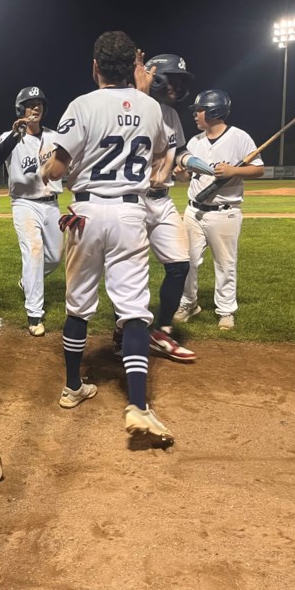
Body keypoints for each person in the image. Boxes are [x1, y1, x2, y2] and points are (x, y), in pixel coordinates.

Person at [40, 30, 176, 443]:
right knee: (133, 309)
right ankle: (138, 405)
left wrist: (48, 162)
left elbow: (56, 170)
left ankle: (72, 387)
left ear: (96, 66)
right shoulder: (152, 108)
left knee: (79, 303)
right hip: (131, 212)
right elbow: (157, 158)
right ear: (132, 66)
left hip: (86, 210)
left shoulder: (82, 105)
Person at [110, 53, 199, 363]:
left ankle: (161, 330)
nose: (176, 87)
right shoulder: (128, 105)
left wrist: (188, 164)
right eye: (172, 79)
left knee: (179, 265)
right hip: (130, 199)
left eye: (180, 82)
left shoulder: (171, 115)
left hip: (161, 200)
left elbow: (181, 149)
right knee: (128, 273)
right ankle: (122, 333)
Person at [172, 89, 265, 331]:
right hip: (193, 211)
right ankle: (188, 304)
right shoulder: (195, 141)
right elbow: (188, 177)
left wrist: (235, 171)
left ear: (213, 111)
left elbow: (258, 169)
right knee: (187, 261)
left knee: (225, 264)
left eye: (199, 110)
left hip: (225, 212)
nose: (195, 115)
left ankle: (225, 311)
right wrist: (182, 175)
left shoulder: (239, 137)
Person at [0, 86, 63, 336]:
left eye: (39, 103)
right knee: (34, 251)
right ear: (20, 109)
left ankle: (27, 281)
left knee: (55, 257)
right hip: (24, 203)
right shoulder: (9, 137)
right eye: (30, 104)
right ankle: (34, 313)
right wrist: (15, 134)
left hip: (51, 203)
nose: (35, 108)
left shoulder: (54, 136)